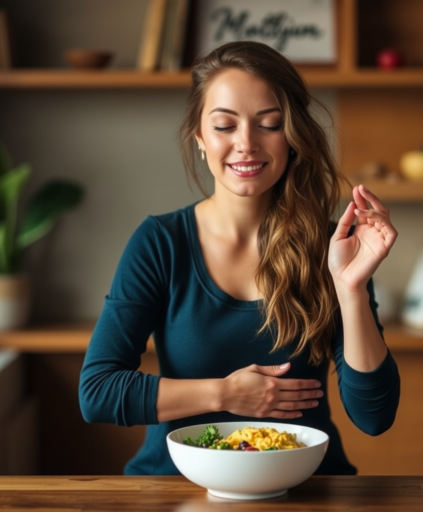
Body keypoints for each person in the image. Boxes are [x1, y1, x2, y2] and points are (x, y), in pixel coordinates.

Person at [79, 41, 400, 476]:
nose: (246, 144)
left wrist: (351, 288)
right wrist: (226, 395)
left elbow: (373, 416)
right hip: (174, 490)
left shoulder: (335, 245)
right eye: (224, 126)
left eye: (268, 124)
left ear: (293, 137)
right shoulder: (160, 242)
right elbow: (97, 392)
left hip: (307, 492)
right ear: (199, 137)